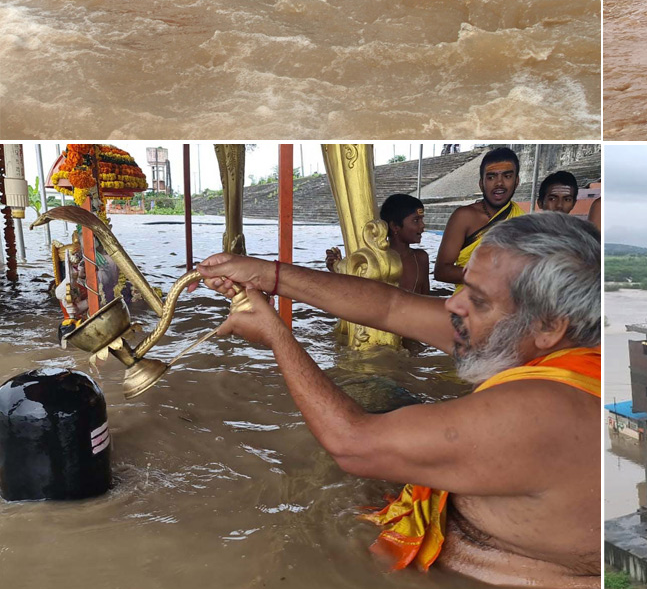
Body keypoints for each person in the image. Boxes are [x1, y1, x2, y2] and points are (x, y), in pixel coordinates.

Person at [197, 214, 600, 587]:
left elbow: (353, 445)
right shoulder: (528, 340)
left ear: (548, 326)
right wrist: (265, 273)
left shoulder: (547, 409)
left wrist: (278, 337)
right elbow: (391, 307)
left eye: (477, 300)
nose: (454, 305)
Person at [434, 147, 524, 290]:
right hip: (466, 305)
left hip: (507, 306)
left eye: (507, 176)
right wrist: (490, 277)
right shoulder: (464, 217)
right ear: (481, 183)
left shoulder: (521, 220)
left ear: (517, 181)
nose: (499, 183)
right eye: (491, 177)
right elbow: (441, 271)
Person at [325, 193, 430, 295]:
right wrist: (339, 268)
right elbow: (357, 297)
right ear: (395, 226)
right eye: (416, 220)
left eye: (422, 219)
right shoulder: (374, 259)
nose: (422, 225)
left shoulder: (421, 258)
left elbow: (427, 299)